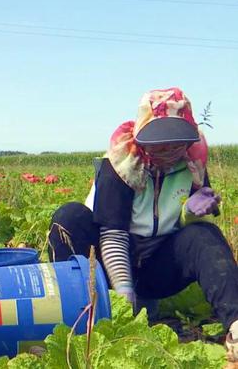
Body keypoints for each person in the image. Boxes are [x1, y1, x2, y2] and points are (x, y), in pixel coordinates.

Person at [47, 88, 238, 361]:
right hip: (104, 263)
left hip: (156, 263)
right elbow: (113, 236)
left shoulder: (192, 163)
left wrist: (191, 215)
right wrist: (124, 300)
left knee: (204, 235)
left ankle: (235, 326)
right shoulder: (120, 163)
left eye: (176, 143)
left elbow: (182, 226)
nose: (168, 151)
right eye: (159, 143)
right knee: (69, 217)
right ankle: (75, 313)